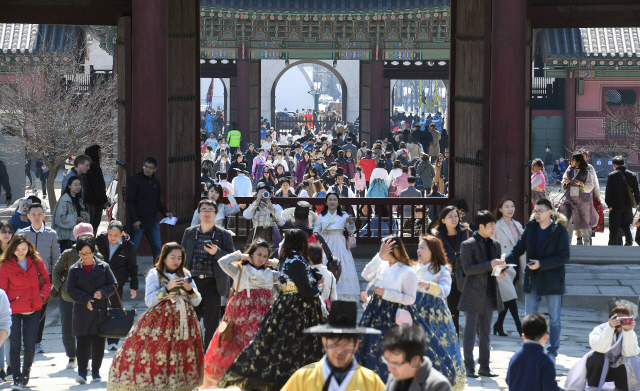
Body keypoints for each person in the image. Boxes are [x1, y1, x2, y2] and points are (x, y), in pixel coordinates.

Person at [218, 229, 326, 391]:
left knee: (275, 345)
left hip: (285, 307)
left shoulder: (289, 260)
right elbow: (304, 288)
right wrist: (317, 289)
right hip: (297, 309)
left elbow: (290, 274)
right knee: (293, 345)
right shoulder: (295, 259)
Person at [356, 236, 456, 384]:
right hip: (374, 312)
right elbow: (365, 275)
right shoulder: (382, 264)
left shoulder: (407, 271)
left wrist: (386, 293)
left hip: (395, 315)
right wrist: (379, 256)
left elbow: (410, 299)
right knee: (367, 347)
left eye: (384, 247)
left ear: (392, 249)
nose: (382, 250)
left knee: (394, 349)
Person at [108, 242, 204, 391]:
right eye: (172, 257)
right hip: (160, 321)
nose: (176, 261)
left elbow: (197, 301)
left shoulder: (186, 274)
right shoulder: (155, 274)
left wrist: (190, 289)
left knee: (182, 353)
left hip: (185, 321)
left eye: (179, 258)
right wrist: (167, 288)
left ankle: (182, 385)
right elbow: (149, 301)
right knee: (159, 353)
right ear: (164, 257)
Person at [202, 239, 279, 387]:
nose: (261, 258)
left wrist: (274, 263)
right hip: (240, 314)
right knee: (237, 343)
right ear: (252, 254)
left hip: (264, 314)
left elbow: (288, 273)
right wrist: (242, 256)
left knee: (259, 344)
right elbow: (223, 262)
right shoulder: (239, 270)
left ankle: (254, 377)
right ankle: (235, 377)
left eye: (265, 256)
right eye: (259, 254)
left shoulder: (271, 274)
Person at [504, 198, 570, 365]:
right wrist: (504, 262)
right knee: (529, 316)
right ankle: (530, 349)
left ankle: (553, 351)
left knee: (554, 319)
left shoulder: (559, 230)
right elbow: (518, 248)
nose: (537, 214)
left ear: (550, 212)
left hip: (553, 279)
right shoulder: (531, 227)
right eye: (535, 211)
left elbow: (564, 256)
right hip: (533, 279)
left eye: (540, 211)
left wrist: (542, 264)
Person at [282, 301, 385, 391]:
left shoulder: (371, 381)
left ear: (356, 345)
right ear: (325, 343)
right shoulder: (302, 378)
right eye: (335, 344)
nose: (340, 350)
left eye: (346, 344)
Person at [413, 235, 466, 389]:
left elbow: (445, 291)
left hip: (435, 313)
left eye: (422, 247)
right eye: (418, 247)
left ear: (433, 250)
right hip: (415, 310)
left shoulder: (442, 269)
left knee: (438, 346)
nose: (418, 251)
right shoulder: (414, 268)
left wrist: (428, 285)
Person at [181, 199, 234, 352]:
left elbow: (232, 258)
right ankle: (192, 354)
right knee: (192, 322)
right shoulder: (189, 232)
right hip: (193, 283)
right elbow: (182, 256)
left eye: (210, 210)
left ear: (216, 214)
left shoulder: (224, 235)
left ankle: (208, 356)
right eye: (204, 210)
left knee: (211, 324)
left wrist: (217, 253)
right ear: (198, 213)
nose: (207, 213)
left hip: (213, 284)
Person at [458, 210, 506, 378]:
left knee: (486, 332)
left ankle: (484, 366)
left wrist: (500, 271)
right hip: (472, 293)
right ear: (481, 226)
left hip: (490, 293)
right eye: (491, 226)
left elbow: (493, 270)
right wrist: (490, 264)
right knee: (470, 333)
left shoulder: (496, 244)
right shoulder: (467, 245)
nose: (494, 228)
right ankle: (468, 366)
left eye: (494, 225)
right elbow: (468, 269)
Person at [0, 234, 51, 389]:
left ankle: (26, 371)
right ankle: (16, 377)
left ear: (28, 247)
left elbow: (47, 280)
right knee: (14, 345)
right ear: (12, 249)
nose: (21, 252)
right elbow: (2, 290)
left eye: (24, 248)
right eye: (17, 249)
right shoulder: (5, 265)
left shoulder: (36, 261)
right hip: (13, 310)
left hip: (34, 309)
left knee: (30, 345)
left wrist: (41, 295)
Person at [65, 237, 116, 384]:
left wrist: (102, 292)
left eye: (87, 252)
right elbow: (70, 289)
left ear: (93, 252)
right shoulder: (74, 269)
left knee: (98, 341)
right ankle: (81, 373)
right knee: (82, 341)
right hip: (82, 310)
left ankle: (95, 372)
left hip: (100, 309)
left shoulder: (104, 266)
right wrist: (85, 298)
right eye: (81, 253)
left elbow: (113, 284)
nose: (85, 256)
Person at [51, 223, 101, 371]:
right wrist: (61, 288)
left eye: (88, 236)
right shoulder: (68, 254)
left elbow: (103, 274)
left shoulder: (97, 255)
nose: (85, 239)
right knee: (68, 329)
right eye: (82, 236)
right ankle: (72, 357)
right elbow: (56, 272)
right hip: (68, 299)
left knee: (90, 329)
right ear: (76, 238)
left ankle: (88, 359)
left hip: (89, 300)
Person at [16, 202, 60, 354]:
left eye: (39, 214)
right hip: (23, 281)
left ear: (43, 216)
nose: (36, 217)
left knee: (40, 312)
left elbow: (56, 259)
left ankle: (37, 342)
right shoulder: (21, 234)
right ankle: (23, 343)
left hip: (43, 281)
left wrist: (53, 280)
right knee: (22, 312)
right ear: (28, 216)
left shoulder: (51, 234)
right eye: (33, 214)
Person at [565, 306, 640, 391]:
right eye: (617, 318)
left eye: (624, 319)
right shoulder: (600, 329)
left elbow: (631, 353)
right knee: (596, 356)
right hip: (600, 366)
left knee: (632, 359)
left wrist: (628, 331)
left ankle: (620, 388)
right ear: (611, 318)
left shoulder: (629, 332)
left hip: (619, 369)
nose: (620, 321)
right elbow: (599, 348)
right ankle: (593, 386)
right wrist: (610, 328)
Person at [95, 220, 138, 351]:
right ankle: (97, 338)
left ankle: (113, 340)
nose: (112, 238)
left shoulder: (128, 245)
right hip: (98, 282)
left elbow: (132, 266)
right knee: (98, 310)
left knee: (115, 310)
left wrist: (134, 286)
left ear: (122, 234)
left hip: (116, 283)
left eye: (116, 235)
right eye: (110, 234)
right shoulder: (99, 241)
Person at [431, 206, 471, 336]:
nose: (454, 219)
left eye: (456, 216)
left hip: (467, 276)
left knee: (471, 312)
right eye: (450, 217)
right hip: (450, 277)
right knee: (453, 312)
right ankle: (455, 340)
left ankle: (474, 340)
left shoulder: (467, 233)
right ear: (443, 220)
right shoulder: (438, 237)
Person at [313, 193, 359, 302]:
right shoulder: (321, 216)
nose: (332, 202)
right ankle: (325, 294)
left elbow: (351, 230)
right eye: (330, 200)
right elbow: (316, 231)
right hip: (326, 243)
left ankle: (343, 295)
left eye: (334, 200)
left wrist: (351, 222)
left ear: (338, 202)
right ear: (326, 202)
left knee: (343, 267)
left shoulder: (344, 215)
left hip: (340, 244)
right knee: (325, 266)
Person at [126, 157, 173, 258]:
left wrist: (165, 212)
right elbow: (130, 202)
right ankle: (128, 273)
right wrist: (135, 219)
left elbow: (157, 201)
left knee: (157, 248)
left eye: (150, 168)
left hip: (153, 221)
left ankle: (158, 272)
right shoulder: (135, 180)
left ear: (155, 169)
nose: (147, 169)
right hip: (139, 221)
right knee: (132, 249)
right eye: (146, 166)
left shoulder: (156, 182)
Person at [491, 197, 525, 338]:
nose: (510, 209)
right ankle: (520, 327)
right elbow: (491, 246)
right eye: (506, 206)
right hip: (501, 265)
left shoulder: (517, 224)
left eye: (512, 206)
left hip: (516, 263)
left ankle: (498, 324)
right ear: (500, 209)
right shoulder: (496, 226)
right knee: (510, 296)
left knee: (507, 297)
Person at [383, 325, 453, 391]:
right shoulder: (394, 377)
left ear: (415, 360)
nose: (389, 368)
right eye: (387, 361)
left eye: (395, 363)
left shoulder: (438, 385)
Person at [507, 313, 562, 391]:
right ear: (545, 337)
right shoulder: (546, 361)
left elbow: (508, 381)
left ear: (523, 336)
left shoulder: (514, 358)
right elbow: (550, 388)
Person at [558, 153, 598, 245]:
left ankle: (587, 242)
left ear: (578, 162)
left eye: (573, 160)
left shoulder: (586, 172)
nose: (570, 162)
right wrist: (566, 183)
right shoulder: (568, 171)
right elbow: (563, 183)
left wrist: (581, 184)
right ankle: (568, 242)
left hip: (582, 202)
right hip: (569, 200)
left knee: (584, 222)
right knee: (569, 222)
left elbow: (590, 186)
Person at [605, 155, 640, 246]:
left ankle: (613, 244)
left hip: (615, 205)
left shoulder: (612, 175)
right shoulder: (632, 175)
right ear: (624, 164)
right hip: (628, 205)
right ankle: (629, 240)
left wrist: (609, 204)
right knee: (625, 225)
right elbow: (636, 190)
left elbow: (608, 192)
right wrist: (637, 202)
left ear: (614, 165)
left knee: (614, 227)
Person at [51, 176, 91, 252]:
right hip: (66, 239)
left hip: (76, 236)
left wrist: (84, 216)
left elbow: (82, 213)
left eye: (79, 184)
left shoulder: (79, 199)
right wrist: (75, 219)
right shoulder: (64, 200)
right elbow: (60, 219)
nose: (78, 187)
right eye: (75, 185)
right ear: (69, 186)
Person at [243, 182, 286, 248]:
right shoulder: (254, 207)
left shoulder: (276, 207)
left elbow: (282, 223)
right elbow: (246, 216)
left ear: (270, 195)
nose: (263, 195)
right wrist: (256, 202)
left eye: (265, 193)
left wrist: (272, 209)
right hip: (257, 234)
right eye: (260, 193)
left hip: (272, 234)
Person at [83, 145, 110, 236]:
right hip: (94, 202)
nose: (100, 154)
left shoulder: (88, 166)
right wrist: (104, 200)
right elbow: (98, 185)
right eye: (99, 152)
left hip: (89, 201)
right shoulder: (93, 166)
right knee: (92, 227)